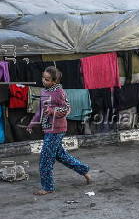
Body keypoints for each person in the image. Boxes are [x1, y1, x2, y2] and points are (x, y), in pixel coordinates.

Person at [27, 66, 91, 195]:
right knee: (60, 155)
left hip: (57, 129)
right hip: (47, 129)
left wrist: (52, 111)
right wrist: (32, 123)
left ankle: (47, 187)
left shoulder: (59, 92)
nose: (44, 81)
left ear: (54, 81)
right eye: (43, 78)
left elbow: (67, 109)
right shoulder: (44, 92)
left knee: (45, 159)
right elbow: (40, 110)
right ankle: (84, 170)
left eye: (47, 79)